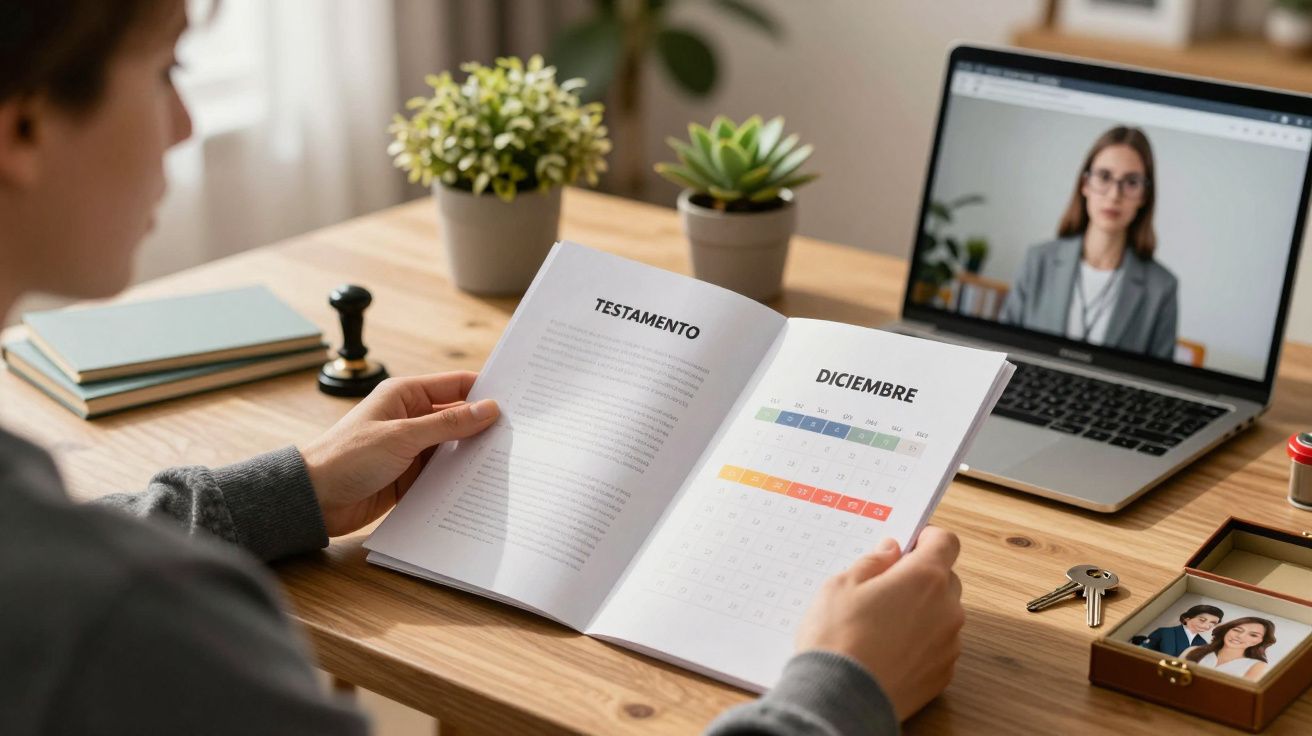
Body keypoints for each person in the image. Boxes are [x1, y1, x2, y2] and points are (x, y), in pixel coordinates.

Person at [0, 2, 965, 734]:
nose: (181, 124)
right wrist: (840, 693)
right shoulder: (123, 627)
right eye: (165, 67)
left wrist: (295, 492)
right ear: (25, 126)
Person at [998, 126, 1179, 360]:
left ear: (1144, 196)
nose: (1114, 195)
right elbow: (1002, 350)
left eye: (1131, 182)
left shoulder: (1162, 287)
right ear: (1085, 184)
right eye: (1104, 177)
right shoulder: (1038, 260)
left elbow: (1159, 380)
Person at [1181, 617, 1276, 681]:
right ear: (1227, 630)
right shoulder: (1193, 650)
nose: (1240, 636)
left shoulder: (1258, 666)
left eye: (1253, 635)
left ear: (1260, 641)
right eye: (1237, 630)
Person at [1139, 604, 1224, 657]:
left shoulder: (1202, 644)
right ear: (1187, 618)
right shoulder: (1165, 632)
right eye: (1202, 619)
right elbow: (1142, 652)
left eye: (1213, 623)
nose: (1207, 625)